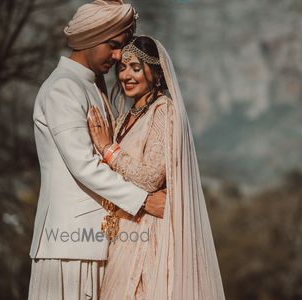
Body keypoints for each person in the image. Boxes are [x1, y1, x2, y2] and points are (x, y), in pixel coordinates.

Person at [28, 2, 165, 299]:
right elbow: (84, 165)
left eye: (122, 47)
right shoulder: (63, 88)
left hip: (96, 242)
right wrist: (144, 201)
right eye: (113, 46)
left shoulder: (92, 85)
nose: (118, 57)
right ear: (90, 38)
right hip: (68, 247)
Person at [87, 35, 225, 299]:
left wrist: (108, 149)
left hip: (150, 235)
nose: (126, 75)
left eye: (136, 68)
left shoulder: (164, 112)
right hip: (125, 229)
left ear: (157, 73)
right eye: (122, 67)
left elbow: (150, 177)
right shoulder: (128, 116)